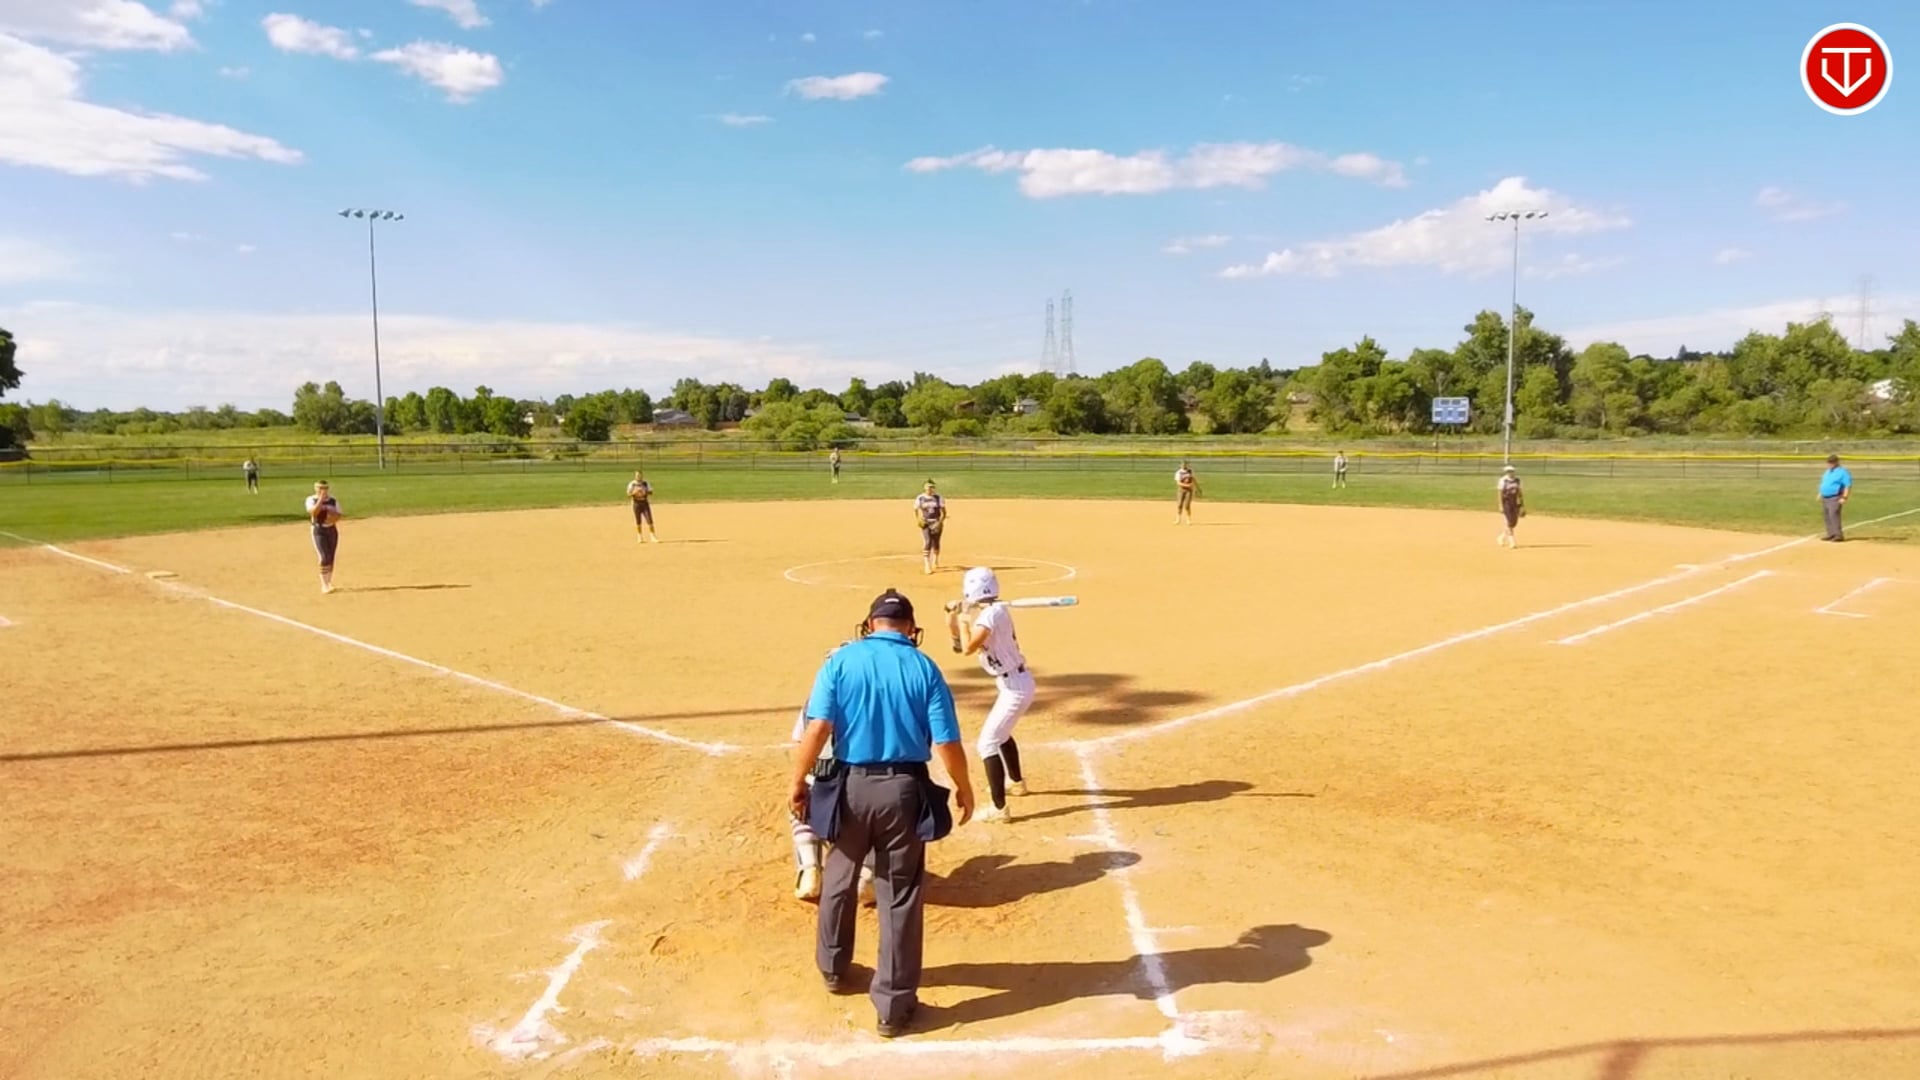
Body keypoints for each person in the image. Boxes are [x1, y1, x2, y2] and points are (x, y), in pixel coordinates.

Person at [789, 589, 975, 1039]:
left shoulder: (841, 661)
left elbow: (818, 727)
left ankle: (833, 968)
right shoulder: (924, 667)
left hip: (850, 786)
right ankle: (892, 1005)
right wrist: (964, 786)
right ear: (910, 627)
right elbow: (946, 742)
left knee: (839, 875)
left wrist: (797, 780)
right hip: (902, 790)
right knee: (900, 893)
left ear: (871, 624)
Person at [790, 643, 877, 908]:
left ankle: (809, 867)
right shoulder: (873, 699)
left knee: (799, 804)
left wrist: (800, 782)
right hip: (864, 790)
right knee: (885, 808)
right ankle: (868, 874)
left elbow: (801, 744)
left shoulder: (813, 701)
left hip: (823, 793)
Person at [946, 567, 1033, 823]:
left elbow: (968, 648)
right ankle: (1016, 783)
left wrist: (964, 619)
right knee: (1001, 734)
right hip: (1012, 683)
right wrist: (952, 617)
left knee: (987, 743)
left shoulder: (992, 615)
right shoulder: (992, 612)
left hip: (1016, 686)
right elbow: (958, 645)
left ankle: (999, 809)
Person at [304, 481, 342, 593]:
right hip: (319, 530)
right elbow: (314, 513)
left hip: (331, 529)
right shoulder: (311, 499)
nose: (323, 490)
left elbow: (339, 514)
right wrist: (320, 500)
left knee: (331, 556)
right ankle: (324, 585)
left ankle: (329, 582)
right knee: (324, 556)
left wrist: (333, 518)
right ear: (315, 489)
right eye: (320, 488)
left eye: (325, 488)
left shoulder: (333, 500)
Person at [913, 480, 946, 575]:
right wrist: (918, 519)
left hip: (936, 521)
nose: (930, 489)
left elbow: (944, 513)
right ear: (925, 488)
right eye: (928, 487)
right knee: (928, 541)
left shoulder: (938, 498)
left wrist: (940, 522)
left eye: (931, 487)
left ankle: (935, 560)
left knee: (936, 542)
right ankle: (927, 565)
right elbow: (915, 510)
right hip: (926, 522)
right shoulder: (920, 498)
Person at [1819, 453, 1853, 542]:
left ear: (1837, 462)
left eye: (1832, 462)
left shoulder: (1843, 472)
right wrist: (1820, 493)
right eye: (1829, 462)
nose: (1830, 464)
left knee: (1833, 515)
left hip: (1835, 497)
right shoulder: (1827, 472)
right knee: (1827, 516)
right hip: (1825, 497)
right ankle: (1830, 534)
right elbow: (1824, 482)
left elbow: (1847, 485)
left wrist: (1844, 497)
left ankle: (1838, 535)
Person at [1496, 465, 1524, 548]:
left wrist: (1522, 505)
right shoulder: (1503, 480)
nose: (1510, 473)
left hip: (1515, 503)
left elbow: (1520, 493)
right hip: (1506, 503)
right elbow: (1500, 493)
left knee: (1513, 523)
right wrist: (1500, 505)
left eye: (1511, 471)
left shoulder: (1518, 480)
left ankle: (1501, 537)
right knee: (1508, 522)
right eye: (1508, 471)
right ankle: (1512, 542)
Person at [626, 471, 659, 543]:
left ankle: (653, 536)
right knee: (638, 521)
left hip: (644, 503)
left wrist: (644, 491)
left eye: (640, 475)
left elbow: (651, 492)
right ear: (635, 476)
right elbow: (628, 494)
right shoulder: (632, 484)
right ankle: (639, 537)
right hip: (636, 504)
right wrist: (634, 493)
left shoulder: (645, 483)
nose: (638, 477)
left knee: (649, 520)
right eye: (637, 475)